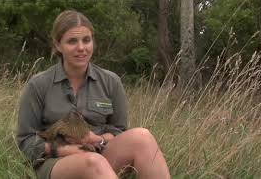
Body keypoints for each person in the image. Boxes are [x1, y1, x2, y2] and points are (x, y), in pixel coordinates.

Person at [17, 10, 171, 179]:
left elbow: (119, 131)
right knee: (93, 162)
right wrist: (64, 149)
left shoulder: (111, 82)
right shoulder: (38, 85)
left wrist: (96, 139)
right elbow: (26, 140)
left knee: (142, 137)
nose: (81, 48)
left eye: (86, 40)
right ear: (58, 45)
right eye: (72, 41)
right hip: (56, 162)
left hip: (100, 153)